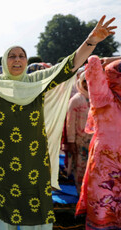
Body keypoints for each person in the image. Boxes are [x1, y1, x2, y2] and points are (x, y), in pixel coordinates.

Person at [0, 16, 116, 228]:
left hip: (34, 160)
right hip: (2, 161)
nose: (17, 60)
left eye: (21, 56)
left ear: (26, 61)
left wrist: (91, 40)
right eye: (12, 56)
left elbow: (70, 64)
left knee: (36, 211)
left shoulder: (38, 81)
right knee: (5, 213)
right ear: (5, 61)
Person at [75, 56, 121, 229]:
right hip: (106, 162)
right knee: (104, 201)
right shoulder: (103, 97)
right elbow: (93, 62)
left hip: (110, 158)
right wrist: (111, 59)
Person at [65, 71, 92, 194]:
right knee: (80, 169)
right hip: (79, 142)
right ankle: (81, 199)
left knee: (92, 170)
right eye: (84, 81)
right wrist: (71, 142)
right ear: (80, 82)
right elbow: (70, 123)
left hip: (94, 142)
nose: (87, 84)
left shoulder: (98, 98)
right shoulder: (76, 100)